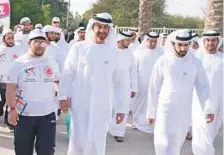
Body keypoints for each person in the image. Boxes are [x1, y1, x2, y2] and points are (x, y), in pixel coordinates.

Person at [58, 13, 126, 155]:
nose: (102, 31)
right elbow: (68, 73)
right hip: (80, 102)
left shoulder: (115, 53)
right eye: (99, 27)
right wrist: (63, 96)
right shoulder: (79, 48)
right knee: (78, 138)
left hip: (103, 105)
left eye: (106, 28)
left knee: (98, 140)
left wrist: (121, 108)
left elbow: (121, 82)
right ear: (92, 27)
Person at [146, 30, 215, 155]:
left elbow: (203, 86)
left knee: (176, 144)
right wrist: (151, 112)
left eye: (186, 45)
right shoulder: (163, 61)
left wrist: (208, 109)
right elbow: (153, 87)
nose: (183, 48)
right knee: (163, 143)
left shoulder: (195, 62)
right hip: (165, 110)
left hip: (184, 112)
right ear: (173, 44)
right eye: (180, 45)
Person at [6, 29, 60, 155]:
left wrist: (60, 97)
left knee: (47, 151)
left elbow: (57, 81)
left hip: (47, 115)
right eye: (36, 42)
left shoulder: (51, 61)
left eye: (42, 43)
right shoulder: (18, 63)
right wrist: (12, 109)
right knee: (22, 151)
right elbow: (10, 88)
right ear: (29, 43)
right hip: (24, 115)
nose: (40, 46)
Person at [192, 30, 223, 155]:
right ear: (203, 41)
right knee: (201, 128)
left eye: (213, 40)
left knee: (210, 131)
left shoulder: (222, 59)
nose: (210, 43)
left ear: (218, 42)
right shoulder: (195, 57)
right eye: (208, 40)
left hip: (218, 101)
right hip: (198, 102)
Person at [108, 31, 138, 143]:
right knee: (109, 107)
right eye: (127, 40)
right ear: (120, 40)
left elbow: (133, 71)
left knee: (123, 108)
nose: (129, 42)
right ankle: (109, 128)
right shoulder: (111, 52)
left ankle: (119, 132)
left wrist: (134, 87)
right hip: (111, 85)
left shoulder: (130, 54)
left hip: (125, 86)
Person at [132, 32, 163, 133]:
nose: (153, 43)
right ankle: (137, 122)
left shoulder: (161, 52)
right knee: (140, 103)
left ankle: (151, 123)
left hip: (156, 83)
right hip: (142, 82)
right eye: (151, 41)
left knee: (154, 102)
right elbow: (134, 69)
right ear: (146, 40)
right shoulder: (138, 52)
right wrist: (134, 85)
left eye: (155, 41)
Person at [0, 29, 23, 130]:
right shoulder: (1, 49)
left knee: (11, 101)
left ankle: (9, 123)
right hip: (1, 80)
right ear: (4, 39)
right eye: (8, 38)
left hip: (13, 81)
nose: (10, 40)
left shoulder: (19, 50)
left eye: (12, 38)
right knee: (2, 101)